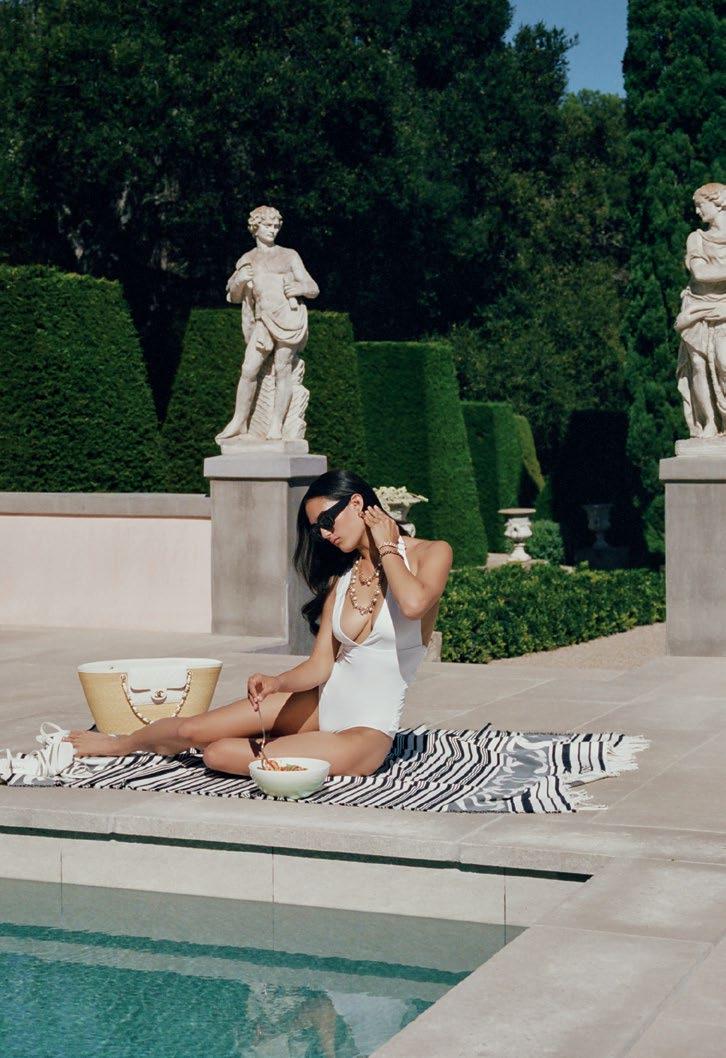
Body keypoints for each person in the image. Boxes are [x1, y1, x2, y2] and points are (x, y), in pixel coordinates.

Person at [65, 469, 453, 777]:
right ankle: (119, 744)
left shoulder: (431, 553)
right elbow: (321, 665)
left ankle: (273, 741)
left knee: (219, 754)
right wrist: (276, 682)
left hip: (364, 734)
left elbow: (413, 604)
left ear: (356, 502)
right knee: (191, 730)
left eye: (327, 520)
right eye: (317, 528)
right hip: (319, 703)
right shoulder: (344, 579)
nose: (324, 534)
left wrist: (386, 544)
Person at [217, 204, 319, 442]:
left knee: (283, 369)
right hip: (263, 320)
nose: (273, 230)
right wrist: (239, 280)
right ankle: (239, 421)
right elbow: (233, 295)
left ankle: (276, 425)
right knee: (248, 369)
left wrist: (299, 288)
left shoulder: (289, 255)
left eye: (276, 226)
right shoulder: (248, 259)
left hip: (289, 319)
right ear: (255, 227)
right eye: (268, 225)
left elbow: (313, 288)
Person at [675, 182, 726, 438]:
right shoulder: (696, 238)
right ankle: (709, 422)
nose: (697, 211)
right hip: (696, 305)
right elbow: (701, 273)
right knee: (697, 363)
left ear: (718, 203)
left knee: (723, 362)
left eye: (700, 205)